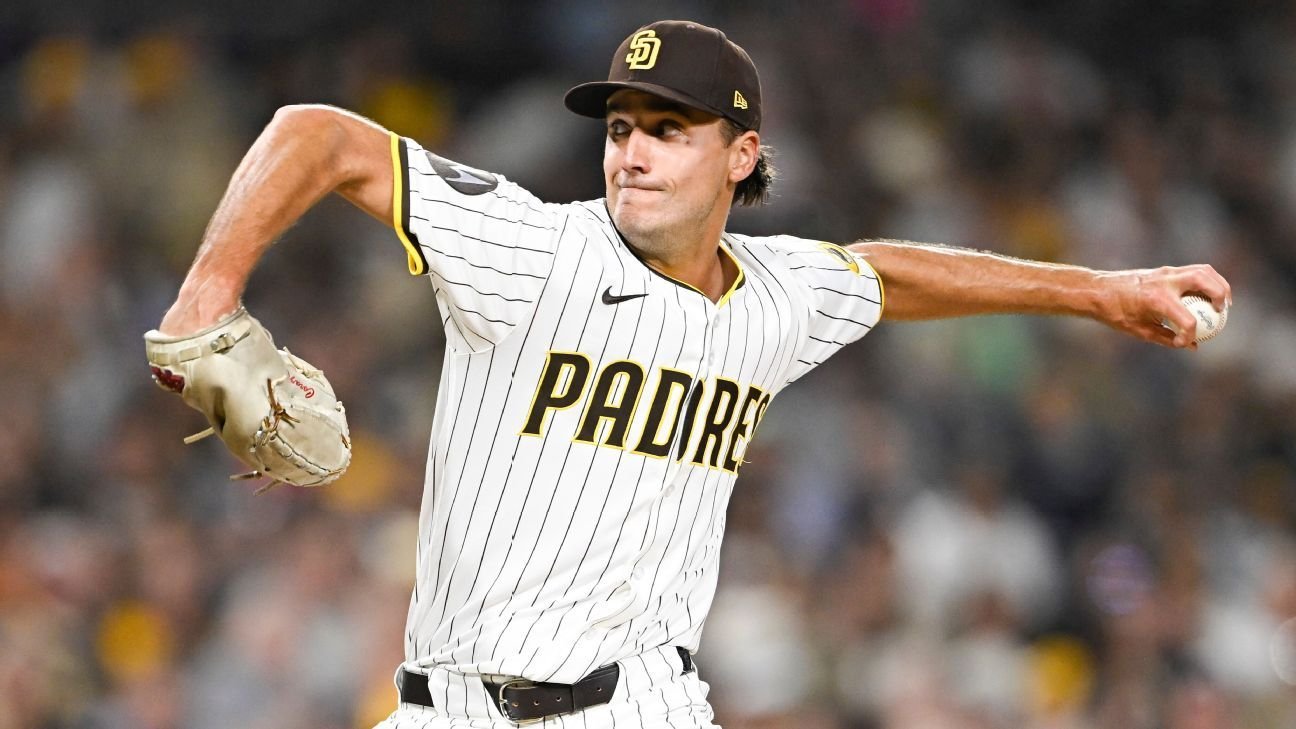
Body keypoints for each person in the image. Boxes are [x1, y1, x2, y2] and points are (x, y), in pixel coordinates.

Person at [154, 19, 1230, 729]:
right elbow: (318, 135)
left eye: (668, 130)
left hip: (644, 705)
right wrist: (209, 292)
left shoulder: (775, 293)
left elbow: (886, 274)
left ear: (740, 155)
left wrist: (1100, 291)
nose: (631, 152)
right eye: (621, 128)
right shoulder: (534, 249)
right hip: (455, 707)